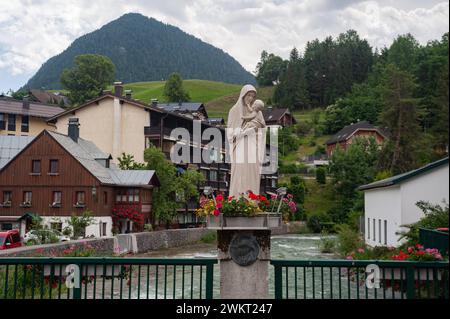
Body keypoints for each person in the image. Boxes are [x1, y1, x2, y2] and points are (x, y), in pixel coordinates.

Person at [227, 85, 266, 198]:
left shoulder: (258, 112)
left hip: (253, 145)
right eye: (249, 95)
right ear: (243, 95)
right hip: (240, 145)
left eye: (253, 96)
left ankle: (252, 198)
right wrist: (240, 133)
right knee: (240, 171)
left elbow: (262, 127)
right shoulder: (234, 111)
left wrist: (255, 128)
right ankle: (237, 198)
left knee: (252, 171)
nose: (251, 98)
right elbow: (230, 132)